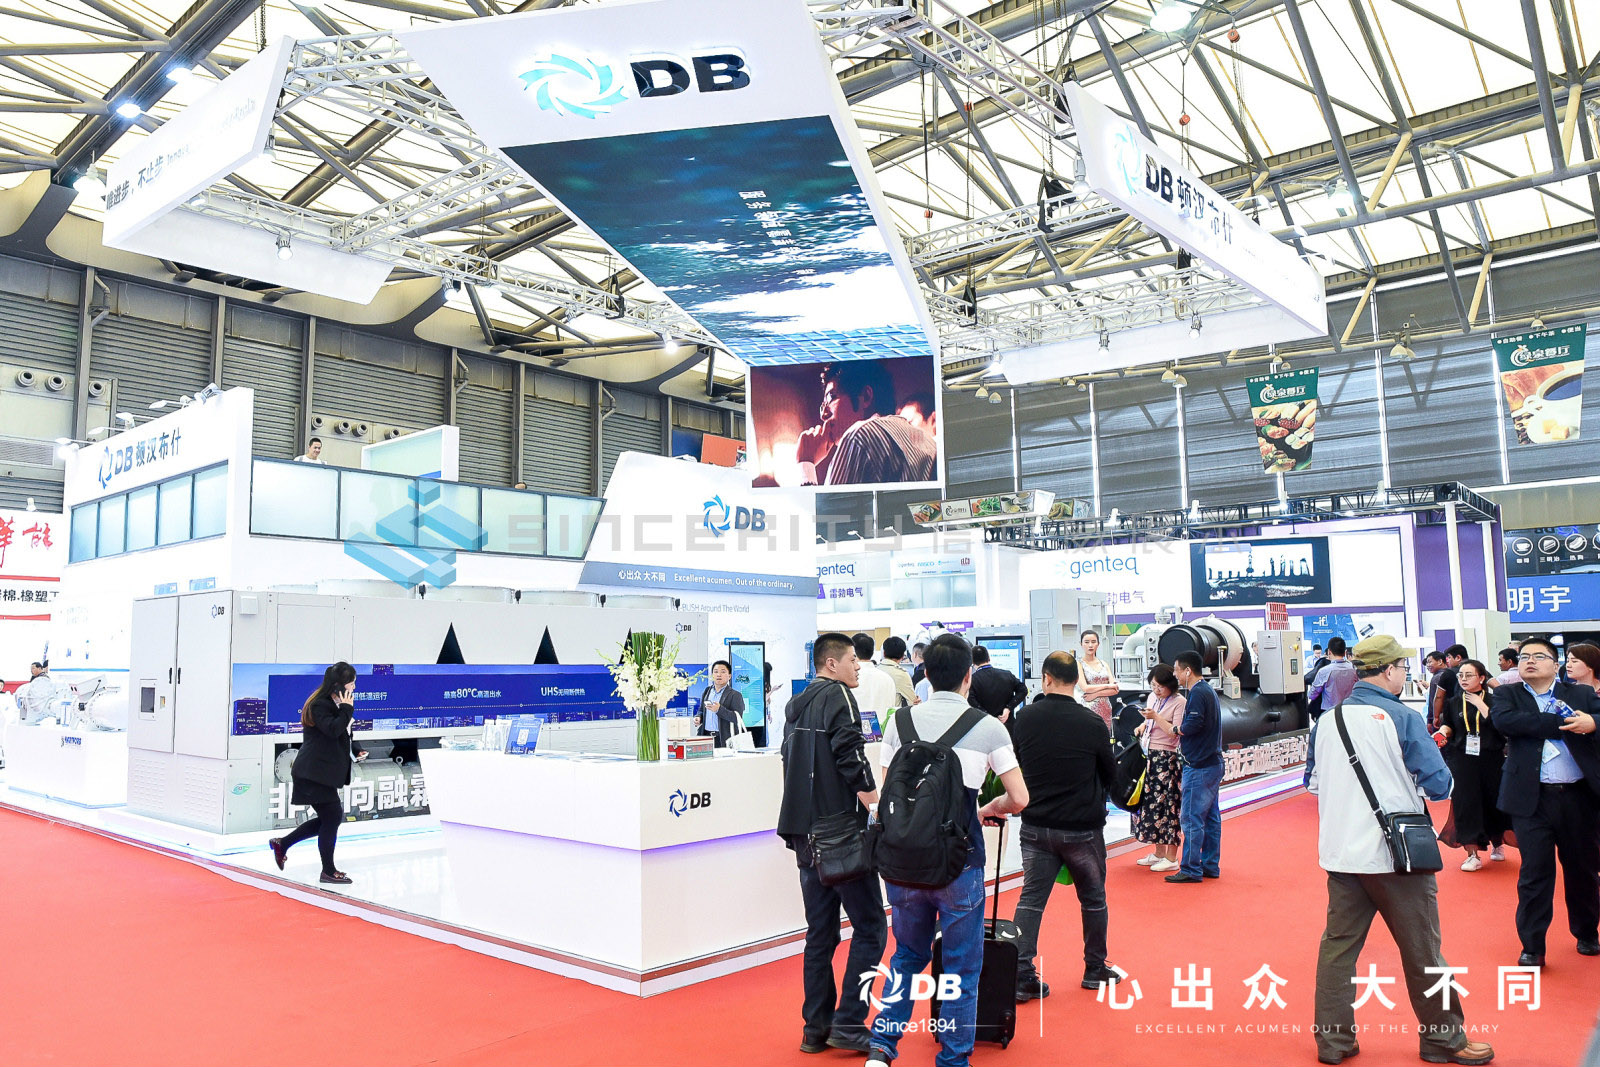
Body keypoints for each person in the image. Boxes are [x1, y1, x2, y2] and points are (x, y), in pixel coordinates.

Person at [1304, 635, 1492, 1067]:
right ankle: (1443, 1040)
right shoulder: (1401, 716)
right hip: (1397, 855)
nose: (1405, 673)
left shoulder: (1328, 721)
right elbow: (1440, 784)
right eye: (1403, 668)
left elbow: (1313, 783)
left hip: (1341, 853)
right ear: (1389, 670)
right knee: (1423, 950)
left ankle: (1333, 1042)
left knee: (1337, 950)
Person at [867, 634, 1028, 1067]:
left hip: (902, 861)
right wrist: (986, 808)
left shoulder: (900, 722)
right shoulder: (987, 726)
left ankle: (881, 1047)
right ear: (968, 676)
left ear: (925, 673)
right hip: (960, 863)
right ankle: (954, 1059)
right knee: (961, 967)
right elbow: (1019, 798)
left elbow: (888, 791)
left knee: (906, 956)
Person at [776, 633, 883, 1055]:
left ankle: (814, 1028)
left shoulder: (797, 704)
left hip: (805, 834)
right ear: (832, 664)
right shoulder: (839, 696)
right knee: (871, 927)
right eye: (853, 660)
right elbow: (850, 755)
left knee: (820, 934)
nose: (858, 667)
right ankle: (850, 1022)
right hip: (839, 832)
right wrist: (875, 803)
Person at [1010, 650, 1120, 1000]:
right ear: (1076, 681)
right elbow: (1110, 775)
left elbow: (1016, 763)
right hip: (1082, 827)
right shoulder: (1092, 723)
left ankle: (1020, 974)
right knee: (1093, 899)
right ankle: (1095, 968)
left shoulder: (1025, 719)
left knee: (1031, 900)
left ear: (1046, 678)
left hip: (1035, 825)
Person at [1490, 636, 1600, 967]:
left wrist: (1593, 723)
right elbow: (1507, 722)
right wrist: (1566, 724)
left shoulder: (1580, 693)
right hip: (1531, 800)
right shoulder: (1507, 694)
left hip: (1578, 797)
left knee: (1582, 870)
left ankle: (1586, 932)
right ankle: (1533, 946)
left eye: (1539, 656)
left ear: (1556, 664)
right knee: (1535, 873)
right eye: (1525, 656)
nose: (1530, 661)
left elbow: (1596, 719)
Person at [269, 662, 358, 885]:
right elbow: (332, 729)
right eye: (351, 683)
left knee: (330, 818)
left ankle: (282, 844)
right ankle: (328, 871)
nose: (354, 687)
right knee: (332, 816)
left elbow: (342, 734)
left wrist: (356, 750)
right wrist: (347, 709)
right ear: (339, 685)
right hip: (312, 773)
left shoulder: (335, 704)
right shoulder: (320, 704)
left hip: (322, 772)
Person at [796, 362, 936, 487]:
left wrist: (806, 463)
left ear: (866, 397)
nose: (823, 415)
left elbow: (831, 509)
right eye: (822, 406)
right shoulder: (928, 443)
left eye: (831, 397)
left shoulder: (858, 436)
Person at [1435, 659, 1509, 870]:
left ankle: (1497, 842)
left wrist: (1481, 705)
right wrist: (1442, 732)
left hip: (1491, 757)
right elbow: (1449, 725)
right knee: (1465, 802)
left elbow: (1502, 727)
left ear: (1482, 678)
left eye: (1469, 675)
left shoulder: (1495, 700)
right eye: (1461, 675)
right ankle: (1472, 853)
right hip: (1463, 758)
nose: (1463, 679)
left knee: (1493, 800)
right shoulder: (1453, 702)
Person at [1167, 651, 1223, 884]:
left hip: (1199, 765)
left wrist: (1175, 729)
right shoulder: (1207, 691)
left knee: (1191, 817)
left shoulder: (1198, 693)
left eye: (1176, 669)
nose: (1175, 674)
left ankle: (1190, 867)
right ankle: (1209, 864)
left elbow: (1193, 724)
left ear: (1188, 670)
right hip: (1211, 763)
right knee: (1210, 818)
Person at [1131, 664, 1185, 872]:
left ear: (1171, 685)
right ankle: (1159, 852)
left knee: (1169, 806)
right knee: (1152, 806)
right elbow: (1149, 722)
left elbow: (1174, 732)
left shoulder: (1180, 702)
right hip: (1149, 755)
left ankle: (1172, 857)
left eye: (1160, 686)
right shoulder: (1152, 698)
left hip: (1167, 758)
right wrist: (1142, 725)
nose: (1156, 690)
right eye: (1153, 685)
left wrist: (1155, 717)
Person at [969, 645, 1027, 723]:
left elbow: (971, 701)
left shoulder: (972, 680)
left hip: (984, 725)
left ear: (972, 662)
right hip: (1007, 726)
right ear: (989, 658)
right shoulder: (1007, 675)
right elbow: (1023, 690)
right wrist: (1009, 708)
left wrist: (987, 716)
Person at [1076, 629, 1119, 732]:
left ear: (1098, 644)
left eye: (1093, 642)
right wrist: (1108, 686)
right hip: (1088, 707)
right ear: (1081, 644)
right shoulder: (1078, 664)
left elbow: (1115, 689)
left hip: (1105, 707)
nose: (1090, 645)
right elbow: (1085, 688)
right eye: (1087, 642)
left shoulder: (1104, 664)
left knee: (1105, 737)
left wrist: (1096, 694)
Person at [1307, 637, 1358, 721]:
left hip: (1329, 714)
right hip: (1349, 712)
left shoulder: (1324, 671)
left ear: (1329, 652)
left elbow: (1312, 694)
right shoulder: (1354, 670)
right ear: (1345, 652)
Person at [697, 660, 745, 748]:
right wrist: (699, 717)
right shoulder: (707, 691)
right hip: (705, 737)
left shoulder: (735, 695)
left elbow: (737, 718)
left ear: (729, 676)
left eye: (723, 672)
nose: (718, 675)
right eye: (715, 672)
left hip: (723, 739)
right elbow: (701, 710)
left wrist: (719, 710)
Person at [851, 634, 896, 721]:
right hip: (885, 728)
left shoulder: (849, 679)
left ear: (853, 652)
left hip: (855, 728)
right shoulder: (887, 678)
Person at [1429, 644, 1468, 730]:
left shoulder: (1448, 673)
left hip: (1453, 713)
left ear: (1458, 657)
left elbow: (1439, 696)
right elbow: (1495, 685)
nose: (1447, 661)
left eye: (1449, 657)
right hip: (1476, 711)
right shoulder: (1478, 669)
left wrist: (1436, 717)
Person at [879, 637, 917, 711]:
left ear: (884, 653)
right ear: (902, 656)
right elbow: (912, 701)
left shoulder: (875, 670)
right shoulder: (901, 674)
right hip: (891, 716)